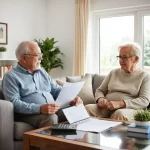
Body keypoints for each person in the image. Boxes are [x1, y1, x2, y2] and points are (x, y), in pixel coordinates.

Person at [2, 41, 82, 128]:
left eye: (41, 55)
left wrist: (71, 98)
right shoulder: (11, 76)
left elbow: (56, 90)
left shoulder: (42, 72)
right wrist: (39, 108)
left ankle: (76, 140)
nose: (41, 58)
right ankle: (52, 142)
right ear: (24, 58)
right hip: (28, 114)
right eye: (37, 55)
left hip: (52, 110)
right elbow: (13, 103)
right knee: (51, 118)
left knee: (77, 110)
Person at [85, 42, 150, 121]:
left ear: (136, 59)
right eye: (120, 57)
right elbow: (100, 90)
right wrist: (101, 99)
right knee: (87, 108)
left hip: (129, 109)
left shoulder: (144, 76)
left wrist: (120, 104)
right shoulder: (113, 73)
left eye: (124, 57)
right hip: (107, 108)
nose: (120, 61)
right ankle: (90, 133)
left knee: (119, 114)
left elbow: (144, 100)